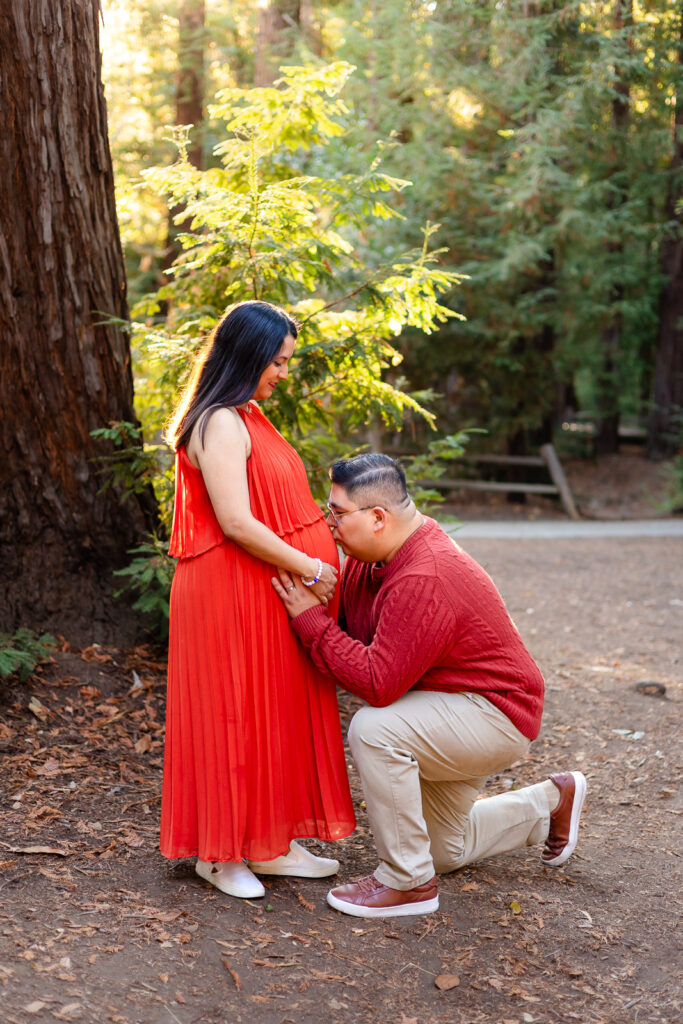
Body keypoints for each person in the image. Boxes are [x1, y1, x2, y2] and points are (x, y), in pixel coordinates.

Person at [272, 453, 587, 919]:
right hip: (446, 705)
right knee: (443, 850)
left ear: (378, 517)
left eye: (337, 514)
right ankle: (550, 803)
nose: (329, 524)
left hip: (493, 713)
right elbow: (352, 634)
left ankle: (407, 883)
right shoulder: (371, 559)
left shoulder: (426, 573)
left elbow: (377, 682)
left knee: (375, 730)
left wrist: (310, 621)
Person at [160, 301, 355, 900]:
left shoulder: (249, 414)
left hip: (261, 587)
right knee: (231, 712)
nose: (283, 373)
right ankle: (218, 855)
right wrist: (312, 566)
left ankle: (269, 842)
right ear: (247, 356)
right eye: (277, 361)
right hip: (227, 590)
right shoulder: (219, 421)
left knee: (272, 711)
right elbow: (237, 522)